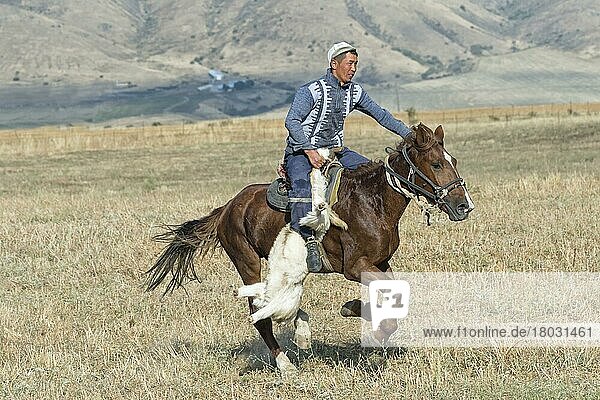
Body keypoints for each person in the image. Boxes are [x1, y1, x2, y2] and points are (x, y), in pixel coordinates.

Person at [283, 41, 413, 272]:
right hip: (302, 151)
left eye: (356, 64)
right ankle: (307, 242)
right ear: (335, 64)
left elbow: (381, 115)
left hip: (336, 150)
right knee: (302, 188)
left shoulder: (355, 92)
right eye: (350, 63)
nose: (353, 69)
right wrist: (309, 151)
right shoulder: (310, 90)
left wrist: (411, 136)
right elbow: (291, 121)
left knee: (374, 174)